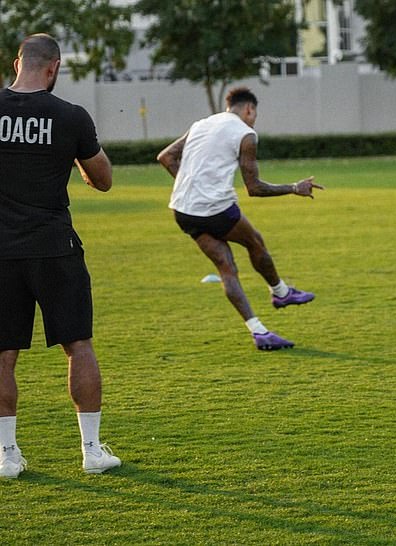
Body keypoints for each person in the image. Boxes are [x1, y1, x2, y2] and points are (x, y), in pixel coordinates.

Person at [0, 34, 121, 478]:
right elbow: (103, 179)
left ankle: (6, 455)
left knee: (3, 354)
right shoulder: (70, 116)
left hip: (1, 251)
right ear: (54, 68)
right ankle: (91, 450)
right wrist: (71, 157)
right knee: (78, 345)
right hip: (54, 247)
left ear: (18, 63)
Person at [158, 87, 324, 351]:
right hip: (217, 209)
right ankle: (281, 293)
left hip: (183, 210)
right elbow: (254, 188)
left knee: (226, 268)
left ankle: (259, 332)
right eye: (254, 114)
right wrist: (294, 188)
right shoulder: (246, 134)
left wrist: (192, 187)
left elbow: (166, 157)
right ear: (249, 109)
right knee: (255, 242)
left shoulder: (202, 124)